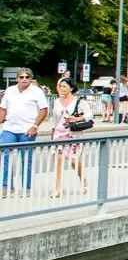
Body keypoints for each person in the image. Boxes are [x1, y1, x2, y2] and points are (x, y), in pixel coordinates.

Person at [0, 69, 49, 197]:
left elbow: (44, 110)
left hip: (27, 130)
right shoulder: (10, 90)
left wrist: (35, 126)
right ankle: (6, 186)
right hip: (9, 128)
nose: (24, 79)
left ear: (31, 78)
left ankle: (26, 187)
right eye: (21, 77)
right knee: (5, 156)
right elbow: (3, 108)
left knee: (26, 158)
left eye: (27, 77)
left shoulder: (37, 92)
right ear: (17, 79)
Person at [50, 78, 92, 196]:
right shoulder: (57, 101)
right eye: (60, 86)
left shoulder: (79, 101)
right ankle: (57, 188)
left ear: (71, 88)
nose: (61, 89)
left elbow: (89, 115)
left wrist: (77, 118)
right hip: (59, 132)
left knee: (74, 161)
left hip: (73, 133)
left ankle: (84, 181)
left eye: (64, 86)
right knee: (59, 159)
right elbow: (54, 118)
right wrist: (53, 130)